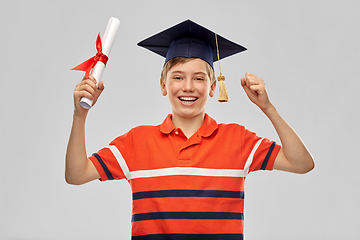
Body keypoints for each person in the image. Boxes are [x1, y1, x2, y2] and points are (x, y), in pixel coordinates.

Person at [66, 20, 314, 240]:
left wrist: (267, 107)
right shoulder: (136, 142)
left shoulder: (238, 140)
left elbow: (301, 163)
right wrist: (80, 115)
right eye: (177, 77)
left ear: (213, 87)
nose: (188, 87)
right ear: (163, 85)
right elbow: (76, 175)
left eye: (199, 78)